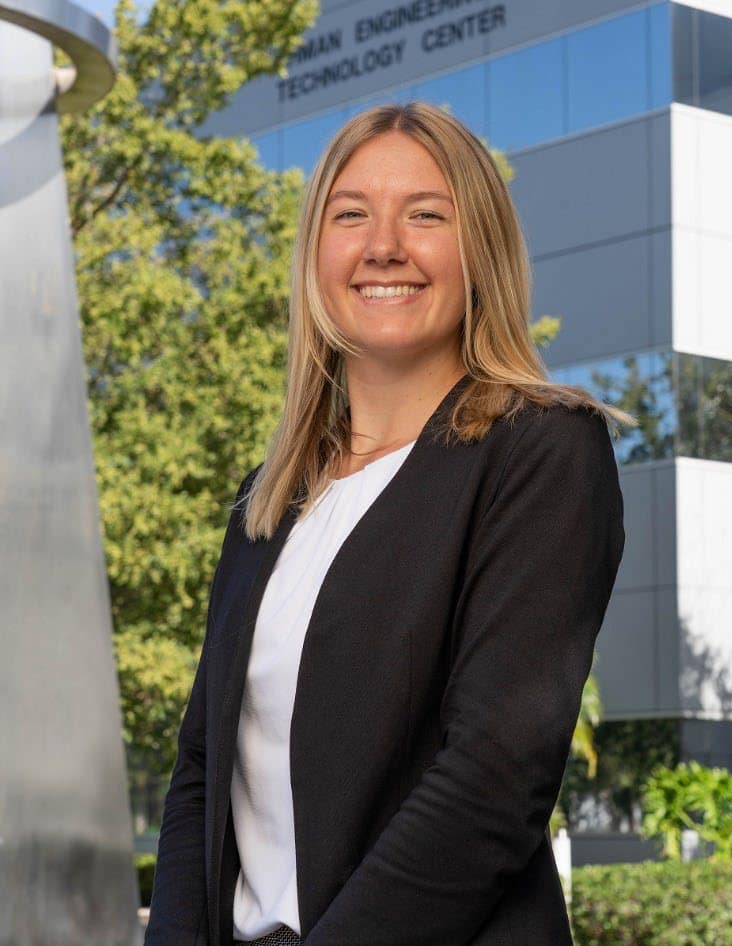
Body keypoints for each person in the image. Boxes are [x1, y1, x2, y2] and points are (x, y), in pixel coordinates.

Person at [144, 101, 632, 946]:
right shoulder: (269, 497)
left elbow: (492, 779)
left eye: (427, 215)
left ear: (480, 250)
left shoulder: (543, 453)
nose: (384, 247)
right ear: (317, 254)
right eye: (352, 214)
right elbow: (200, 775)